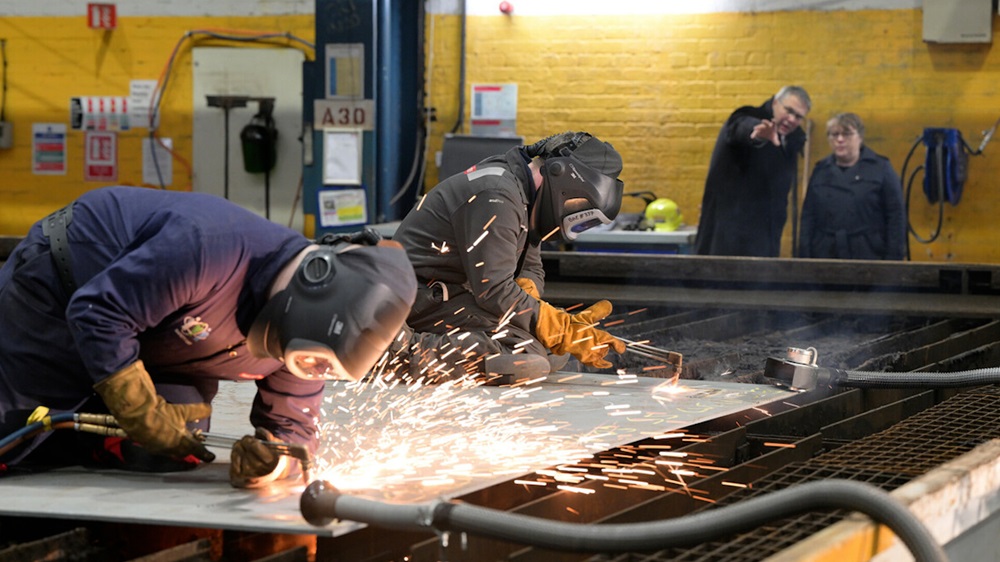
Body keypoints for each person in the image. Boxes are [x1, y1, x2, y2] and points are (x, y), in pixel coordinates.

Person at [0, 186, 416, 487]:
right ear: (314, 284)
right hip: (64, 289)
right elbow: (97, 313)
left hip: (156, 335)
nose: (312, 371)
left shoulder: (303, 344)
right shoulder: (206, 249)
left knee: (175, 446)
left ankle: (78, 432)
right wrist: (136, 408)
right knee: (14, 441)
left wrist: (271, 465)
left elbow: (294, 431)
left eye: (322, 366)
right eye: (315, 361)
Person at [391, 131, 630, 380]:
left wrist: (553, 320)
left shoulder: (525, 195)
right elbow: (494, 288)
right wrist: (557, 328)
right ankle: (402, 354)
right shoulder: (497, 195)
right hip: (414, 300)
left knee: (543, 347)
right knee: (522, 353)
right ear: (566, 183)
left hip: (454, 295)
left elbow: (530, 267)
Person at [695, 85, 812, 257]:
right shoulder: (747, 118)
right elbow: (741, 128)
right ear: (775, 103)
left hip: (766, 241)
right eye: (789, 110)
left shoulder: (792, 140)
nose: (792, 119)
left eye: (798, 116)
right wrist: (758, 135)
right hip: (728, 239)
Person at [798, 113, 905, 260]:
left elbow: (896, 216)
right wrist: (804, 256)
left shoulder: (881, 169)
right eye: (834, 135)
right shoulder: (820, 170)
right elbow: (808, 217)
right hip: (825, 253)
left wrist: (894, 261)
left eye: (847, 134)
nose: (840, 140)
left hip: (869, 253)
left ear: (860, 137)